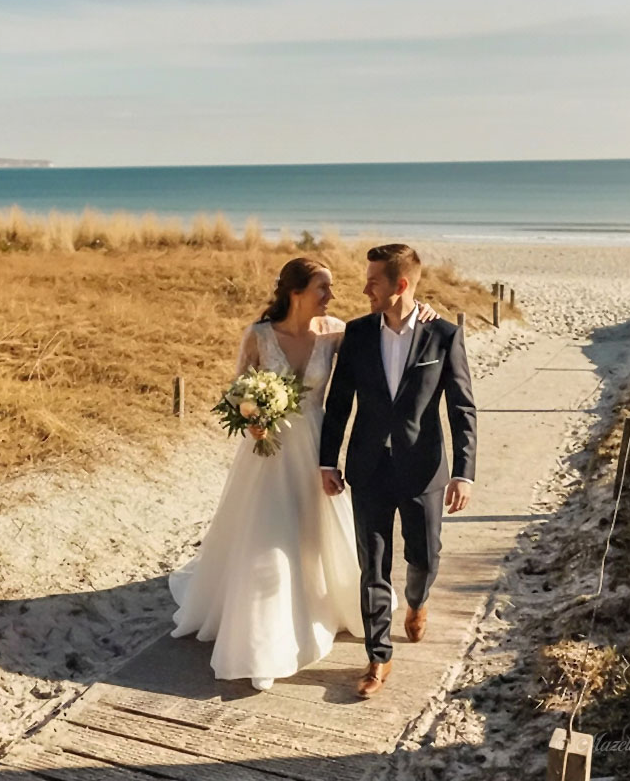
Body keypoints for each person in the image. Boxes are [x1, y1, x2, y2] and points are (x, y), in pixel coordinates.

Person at [168, 256, 438, 691]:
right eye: (322, 288)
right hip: (265, 452)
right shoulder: (258, 335)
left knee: (311, 535)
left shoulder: (336, 332)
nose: (331, 296)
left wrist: (424, 308)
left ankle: (319, 608)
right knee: (268, 538)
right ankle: (262, 640)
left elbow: (392, 322)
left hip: (314, 448)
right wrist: (250, 416)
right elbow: (237, 390)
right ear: (296, 292)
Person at [319, 243, 477, 698]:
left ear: (401, 285)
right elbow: (338, 406)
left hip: (424, 469)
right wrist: (328, 461)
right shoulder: (357, 334)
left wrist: (463, 472)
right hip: (367, 469)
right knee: (374, 566)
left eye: (374, 281)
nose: (364, 288)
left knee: (424, 556)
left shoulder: (443, 336)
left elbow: (462, 408)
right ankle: (377, 657)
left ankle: (418, 601)